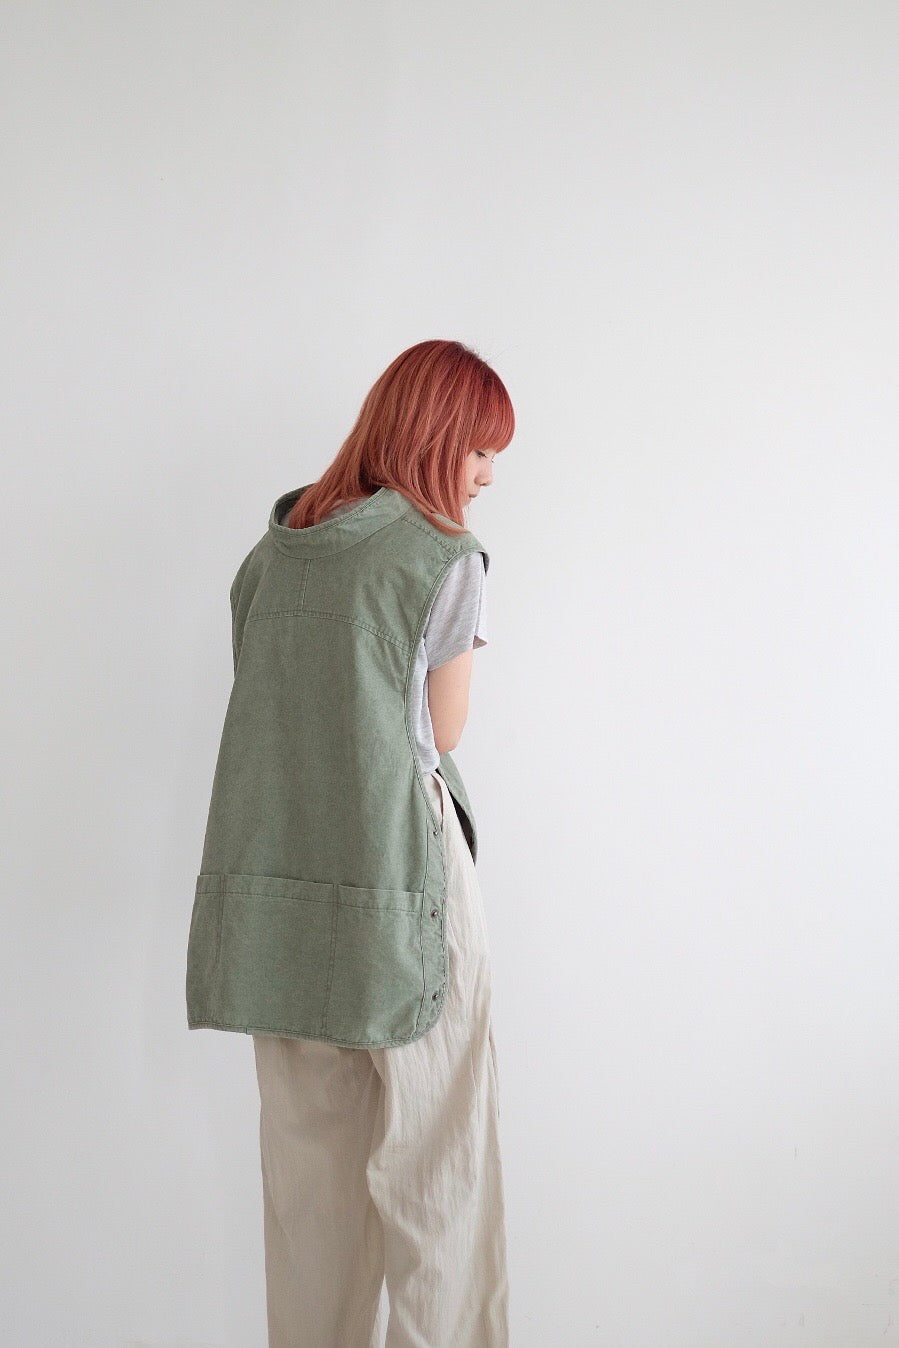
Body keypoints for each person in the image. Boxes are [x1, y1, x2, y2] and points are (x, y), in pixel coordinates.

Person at [185, 338, 514, 1347]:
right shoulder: (441, 557)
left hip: (281, 897)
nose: (486, 476)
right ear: (435, 438)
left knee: (310, 1201)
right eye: (479, 451)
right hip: (403, 883)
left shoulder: (266, 560)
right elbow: (440, 731)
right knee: (438, 1181)